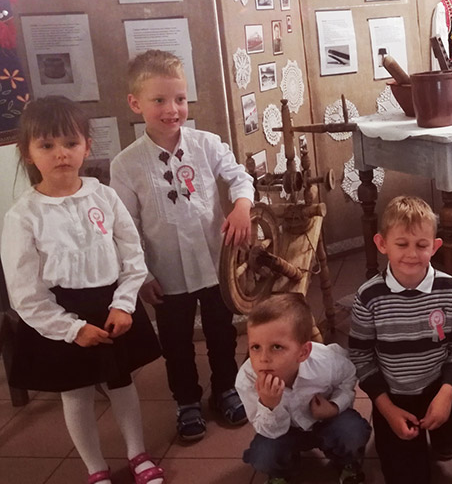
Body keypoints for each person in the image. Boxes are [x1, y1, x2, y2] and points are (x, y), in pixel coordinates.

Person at [1, 97, 164, 484]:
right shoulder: (23, 215)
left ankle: (137, 453)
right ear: (27, 152)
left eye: (70, 143)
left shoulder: (103, 196)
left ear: (87, 146)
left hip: (111, 305)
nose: (61, 153)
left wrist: (124, 303)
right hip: (60, 315)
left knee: (122, 383)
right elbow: (24, 289)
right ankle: (95, 468)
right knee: (75, 394)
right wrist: (71, 329)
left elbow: (132, 253)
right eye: (47, 145)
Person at [110, 50, 255, 441]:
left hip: (214, 265)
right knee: (175, 342)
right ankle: (187, 400)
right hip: (166, 273)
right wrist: (141, 276)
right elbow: (125, 228)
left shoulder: (206, 144)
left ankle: (226, 388)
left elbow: (238, 177)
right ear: (136, 103)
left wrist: (242, 206)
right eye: (159, 100)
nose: (171, 109)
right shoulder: (126, 165)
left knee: (222, 332)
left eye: (179, 99)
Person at [349, 196, 452, 484]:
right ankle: (415, 436)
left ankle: (447, 426)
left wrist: (446, 394)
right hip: (394, 396)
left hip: (439, 385)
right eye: (401, 244)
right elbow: (361, 356)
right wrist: (386, 408)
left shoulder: (451, 290)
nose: (412, 254)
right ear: (382, 244)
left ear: (435, 246)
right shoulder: (368, 297)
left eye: (421, 245)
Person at [236, 294, 370, 484]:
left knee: (352, 431)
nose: (263, 358)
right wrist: (269, 405)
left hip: (326, 421)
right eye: (255, 347)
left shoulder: (325, 361)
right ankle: (281, 472)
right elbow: (266, 431)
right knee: (264, 454)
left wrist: (334, 406)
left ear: (303, 352)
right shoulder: (248, 379)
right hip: (284, 431)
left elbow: (348, 376)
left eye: (276, 347)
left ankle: (347, 463)